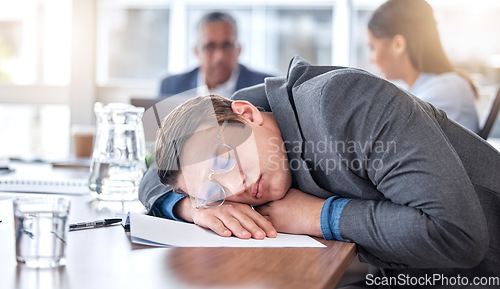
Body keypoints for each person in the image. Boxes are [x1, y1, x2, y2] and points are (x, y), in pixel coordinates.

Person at [141, 56, 499, 288]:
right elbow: (152, 175)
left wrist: (318, 216)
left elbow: (458, 236)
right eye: (218, 189)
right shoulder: (242, 118)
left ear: (246, 114)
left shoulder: (345, 103)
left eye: (223, 160)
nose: (240, 186)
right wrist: (199, 207)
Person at [367, 0, 479, 133]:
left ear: (398, 45)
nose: (371, 58)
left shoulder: (445, 91)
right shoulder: (428, 89)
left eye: (372, 48)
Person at [159, 11, 274, 98]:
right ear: (196, 51)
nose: (219, 56)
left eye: (227, 46)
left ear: (238, 50)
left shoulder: (267, 88)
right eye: (210, 47)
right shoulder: (171, 87)